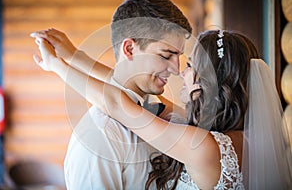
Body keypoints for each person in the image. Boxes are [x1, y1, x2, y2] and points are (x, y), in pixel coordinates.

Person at [33, 29, 292, 189]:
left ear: (207, 84)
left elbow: (117, 104)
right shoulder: (240, 140)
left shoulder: (203, 146)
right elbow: (129, 90)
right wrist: (73, 56)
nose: (181, 71)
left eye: (190, 66)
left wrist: (55, 66)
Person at [32, 0, 192, 189]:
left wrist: (73, 59)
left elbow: (120, 97)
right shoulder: (100, 136)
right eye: (166, 55)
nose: (176, 69)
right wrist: (69, 61)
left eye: (179, 56)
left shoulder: (163, 115)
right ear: (130, 49)